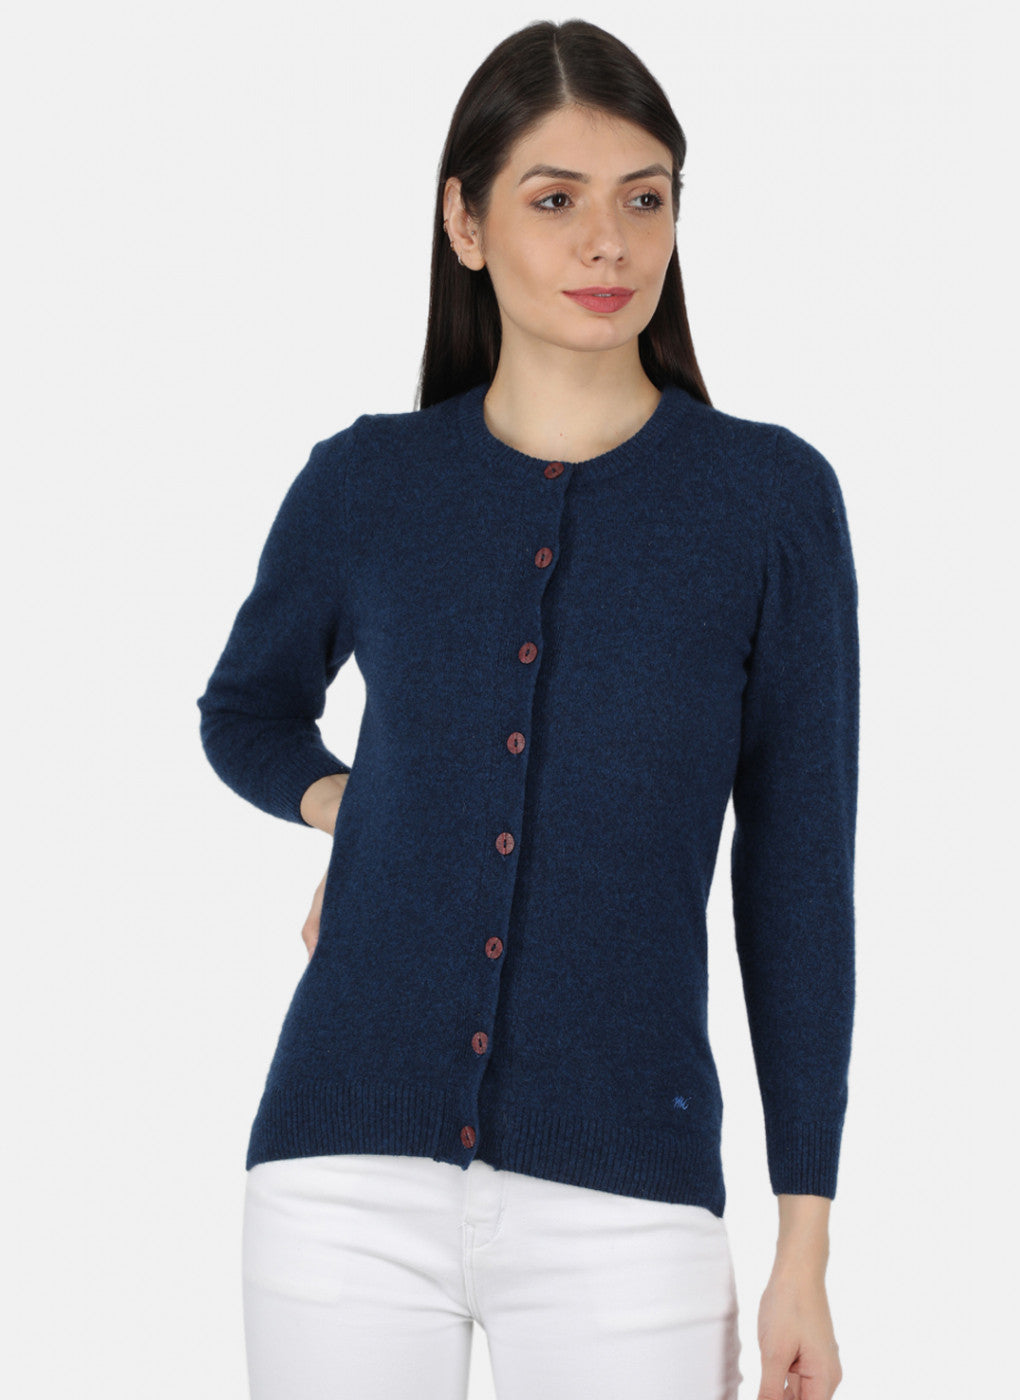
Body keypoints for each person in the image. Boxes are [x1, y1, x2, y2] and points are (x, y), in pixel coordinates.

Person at [196, 18, 857, 1400]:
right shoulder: (367, 483)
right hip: (339, 1174)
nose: (607, 243)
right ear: (465, 221)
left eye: (644, 199)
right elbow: (246, 708)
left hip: (631, 1194)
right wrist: (351, 802)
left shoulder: (766, 502)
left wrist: (802, 1242)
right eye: (554, 200)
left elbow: (797, 882)